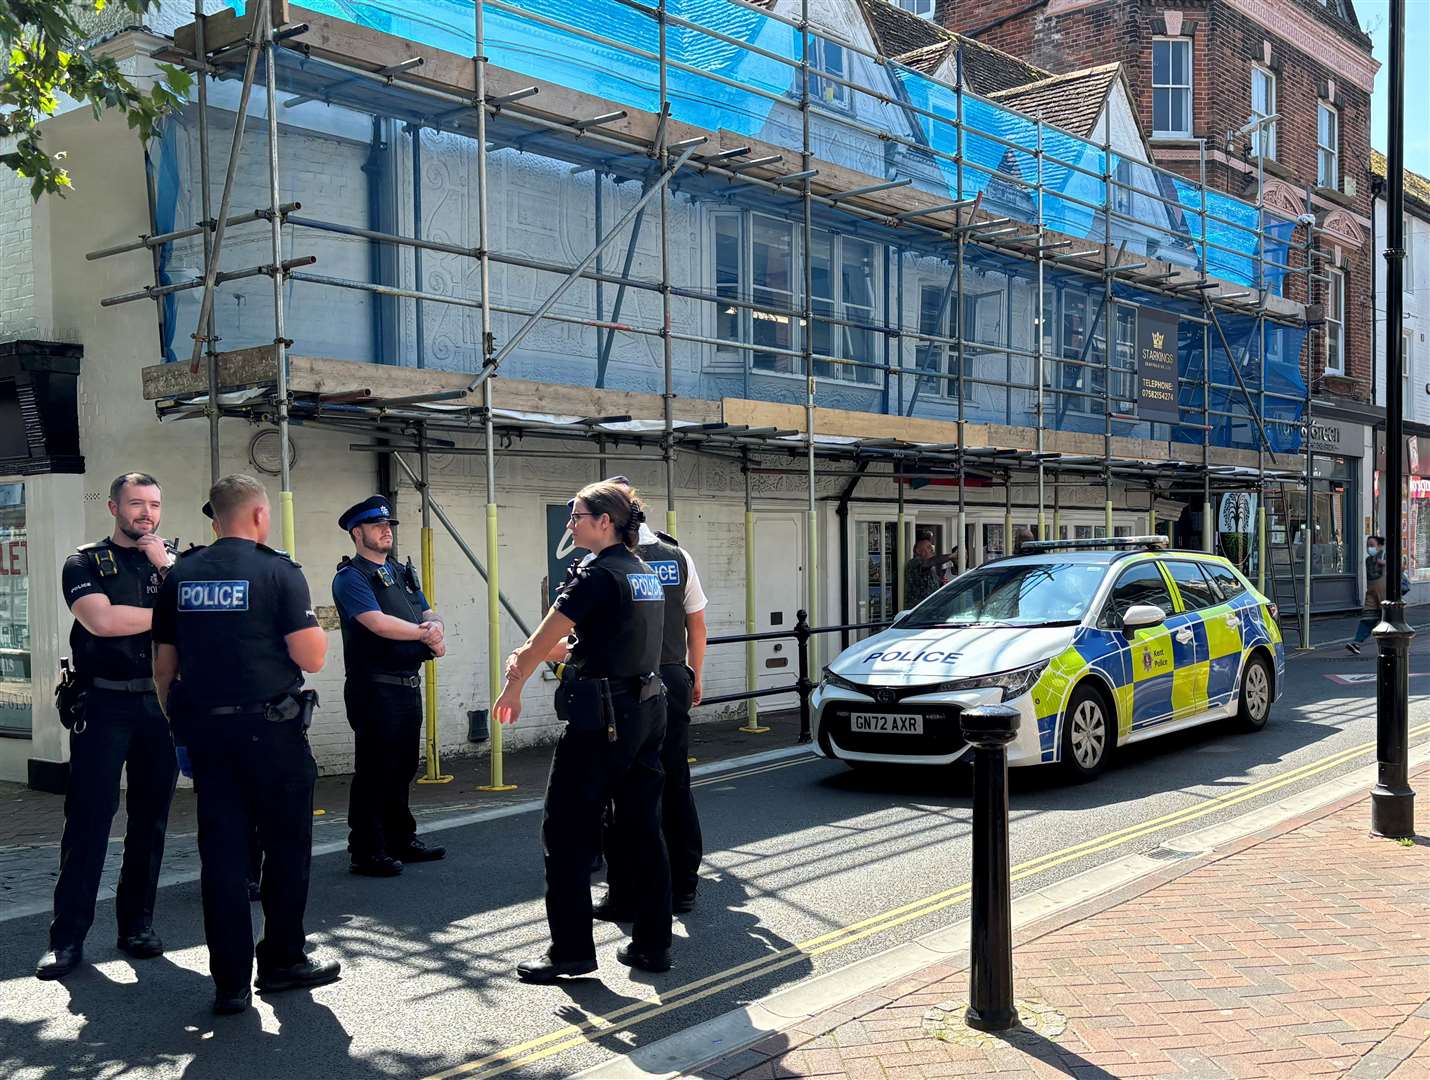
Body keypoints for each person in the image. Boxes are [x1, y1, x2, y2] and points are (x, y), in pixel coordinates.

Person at [152, 474, 339, 1014]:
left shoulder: (180, 574)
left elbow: (164, 669)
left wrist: (181, 726)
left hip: (208, 735)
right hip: (272, 734)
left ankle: (229, 982)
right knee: (285, 850)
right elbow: (312, 658)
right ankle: (282, 961)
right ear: (259, 515)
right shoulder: (278, 571)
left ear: (216, 520)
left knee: (223, 858)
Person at [496, 480, 672, 983]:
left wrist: (513, 683)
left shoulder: (595, 575)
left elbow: (542, 637)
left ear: (605, 522)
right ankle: (652, 946)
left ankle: (570, 952)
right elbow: (616, 638)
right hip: (646, 708)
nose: (570, 524)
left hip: (604, 718)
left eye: (576, 516)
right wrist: (570, 653)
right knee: (642, 830)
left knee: (566, 833)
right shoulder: (643, 571)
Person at [35, 473, 179, 981]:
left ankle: (136, 926)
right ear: (113, 507)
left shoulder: (173, 564)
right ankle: (67, 939)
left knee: (151, 821)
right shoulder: (84, 561)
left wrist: (169, 573)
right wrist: (168, 609)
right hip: (102, 704)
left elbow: (198, 621)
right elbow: (103, 621)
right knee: (89, 822)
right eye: (136, 503)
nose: (146, 513)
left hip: (158, 706)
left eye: (154, 504)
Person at [579, 478, 707, 917]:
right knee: (675, 782)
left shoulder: (605, 564)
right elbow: (697, 624)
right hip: (673, 674)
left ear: (608, 518)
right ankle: (683, 886)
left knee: (626, 792)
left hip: (627, 686)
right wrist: (696, 676)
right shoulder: (677, 555)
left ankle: (626, 890)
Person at [331, 495, 447, 876]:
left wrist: (435, 630)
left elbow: (428, 611)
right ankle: (366, 849)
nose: (386, 530)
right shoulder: (351, 578)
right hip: (374, 688)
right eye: (378, 526)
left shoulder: (399, 571)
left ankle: (400, 838)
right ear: (357, 532)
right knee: (375, 769)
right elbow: (376, 622)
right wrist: (425, 634)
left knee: (403, 766)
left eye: (389, 526)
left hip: (406, 684)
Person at [1347, 534, 1387, 655]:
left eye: (1372, 545)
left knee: (1388, 618)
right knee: (1368, 617)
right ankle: (1356, 642)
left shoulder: (1385, 555)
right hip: (1371, 591)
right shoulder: (1368, 560)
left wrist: (1385, 563)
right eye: (1367, 545)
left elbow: (1400, 564)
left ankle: (1392, 645)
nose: (1369, 548)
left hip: (1385, 591)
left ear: (1379, 546)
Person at [903, 532, 958, 608]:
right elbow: (930, 562)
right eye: (929, 547)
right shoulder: (914, 563)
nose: (932, 549)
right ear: (918, 551)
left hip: (931, 612)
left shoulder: (932, 570)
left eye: (932, 547)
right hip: (917, 613)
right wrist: (953, 555)